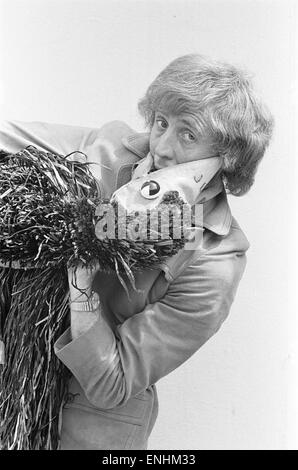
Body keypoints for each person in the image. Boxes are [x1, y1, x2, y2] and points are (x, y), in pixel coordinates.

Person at [0, 53, 273, 450]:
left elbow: (112, 383)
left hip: (91, 428)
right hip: (14, 391)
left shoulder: (215, 262)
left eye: (188, 135)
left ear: (227, 159)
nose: (161, 149)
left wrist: (82, 287)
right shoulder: (108, 147)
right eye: (161, 123)